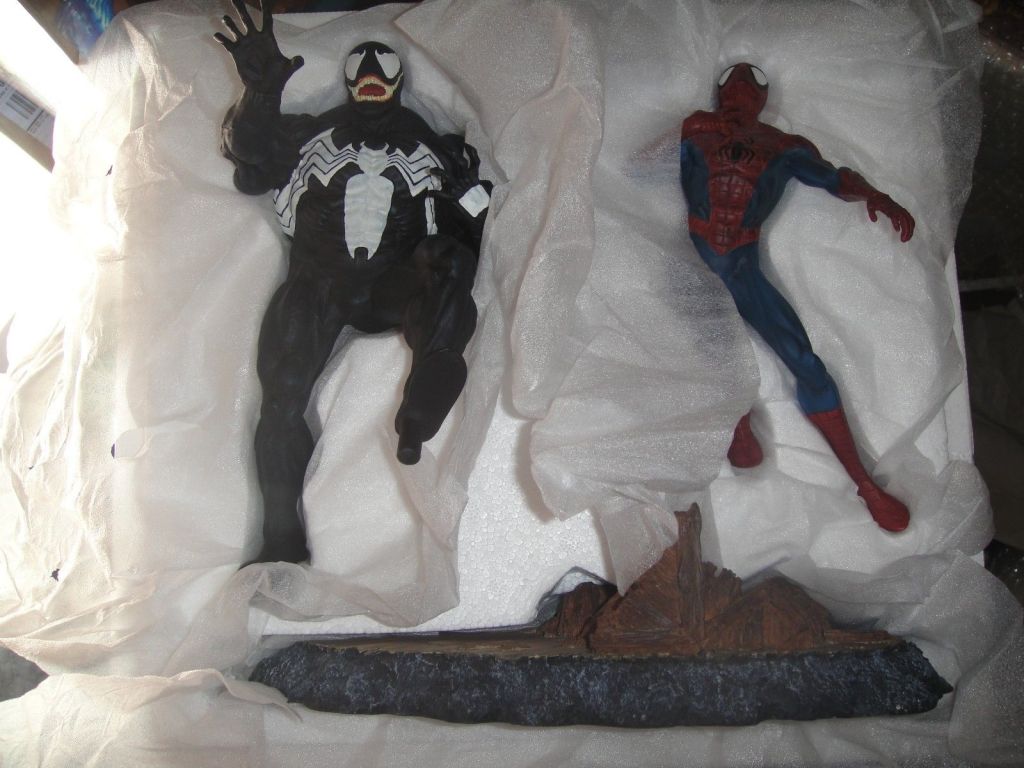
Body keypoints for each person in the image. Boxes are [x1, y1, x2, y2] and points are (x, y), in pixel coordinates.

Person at [216, 0, 491, 562]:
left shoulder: (433, 148)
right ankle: (280, 532)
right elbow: (250, 157)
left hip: (396, 282)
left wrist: (470, 197)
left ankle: (426, 390)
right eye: (360, 76)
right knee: (281, 398)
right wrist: (262, 92)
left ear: (397, 85)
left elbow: (475, 228)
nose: (369, 80)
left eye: (380, 76)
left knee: (448, 258)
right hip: (319, 282)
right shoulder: (311, 136)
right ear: (348, 85)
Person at [680, 63, 915, 532]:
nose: (740, 92)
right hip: (695, 265)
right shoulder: (697, 128)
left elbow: (834, 178)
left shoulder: (783, 147)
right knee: (711, 345)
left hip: (742, 266)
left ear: (763, 100)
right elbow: (641, 162)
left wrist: (874, 195)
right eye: (731, 86)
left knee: (805, 362)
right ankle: (737, 420)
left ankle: (865, 485)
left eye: (750, 88)